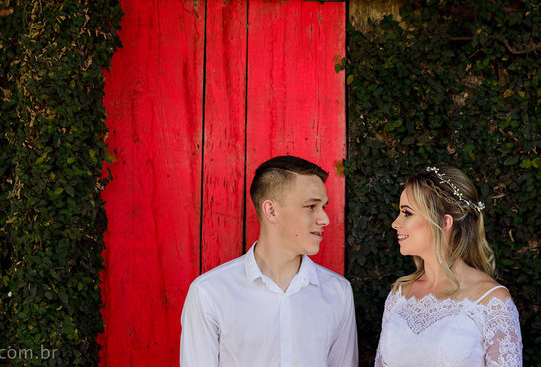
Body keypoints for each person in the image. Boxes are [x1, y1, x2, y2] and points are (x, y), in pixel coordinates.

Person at [180, 155, 358, 367]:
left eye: (323, 207)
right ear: (271, 211)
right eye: (311, 206)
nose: (325, 219)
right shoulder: (210, 293)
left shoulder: (338, 292)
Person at [375, 165, 522, 367]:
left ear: (444, 222)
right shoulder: (398, 295)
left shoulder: (492, 301)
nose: (395, 223)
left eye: (406, 213)